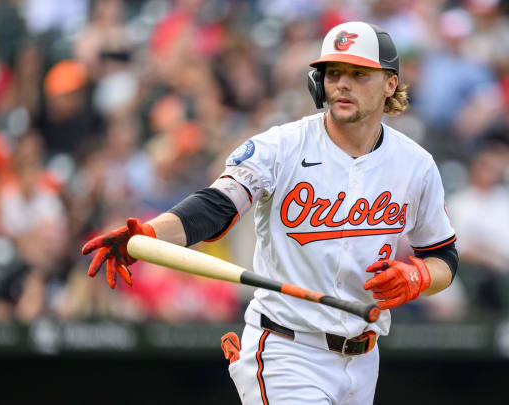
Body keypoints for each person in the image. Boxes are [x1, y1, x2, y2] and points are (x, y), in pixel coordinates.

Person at [82, 21, 458, 404]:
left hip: (364, 359)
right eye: (334, 73)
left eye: (359, 74)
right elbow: (217, 206)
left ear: (390, 84)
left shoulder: (415, 165)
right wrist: (149, 235)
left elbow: (443, 256)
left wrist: (419, 275)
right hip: (287, 350)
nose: (343, 84)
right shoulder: (281, 146)